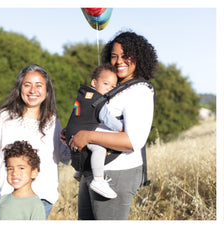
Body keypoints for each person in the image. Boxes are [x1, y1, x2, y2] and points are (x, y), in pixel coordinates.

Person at [67, 31, 157, 220]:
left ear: (139, 57)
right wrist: (74, 134)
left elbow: (133, 140)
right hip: (93, 172)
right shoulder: (114, 87)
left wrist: (88, 136)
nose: (119, 61)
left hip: (116, 174)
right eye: (114, 56)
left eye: (126, 56)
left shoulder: (139, 91)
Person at [0, 64, 71, 220]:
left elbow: (62, 156)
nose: (33, 90)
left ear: (47, 91)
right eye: (27, 85)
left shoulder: (52, 121)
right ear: (19, 89)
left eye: (39, 85)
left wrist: (71, 139)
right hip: (1, 197)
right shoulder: (3, 117)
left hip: (41, 199)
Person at [65, 63, 123, 199]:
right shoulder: (98, 101)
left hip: (70, 133)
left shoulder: (84, 95)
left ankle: (80, 171)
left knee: (88, 148)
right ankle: (98, 179)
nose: (109, 89)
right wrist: (121, 128)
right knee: (99, 148)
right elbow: (107, 119)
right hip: (79, 136)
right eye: (106, 84)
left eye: (113, 87)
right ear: (94, 82)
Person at [0, 141, 46, 220]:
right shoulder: (1, 201)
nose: (14, 173)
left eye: (21, 168)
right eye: (10, 169)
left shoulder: (36, 206)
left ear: (34, 172)